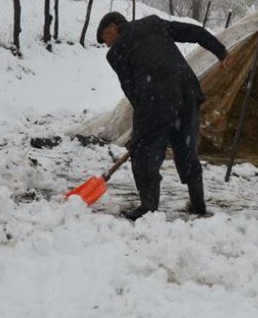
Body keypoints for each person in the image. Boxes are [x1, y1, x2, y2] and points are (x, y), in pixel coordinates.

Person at [96, 12, 229, 220]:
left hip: (154, 99)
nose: (106, 45)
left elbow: (130, 89)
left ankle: (148, 207)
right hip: (187, 92)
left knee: (143, 153)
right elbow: (192, 32)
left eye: (105, 38)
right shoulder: (153, 23)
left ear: (113, 27)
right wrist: (220, 51)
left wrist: (143, 126)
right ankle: (197, 203)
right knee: (186, 149)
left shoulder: (116, 53)